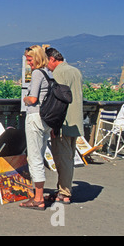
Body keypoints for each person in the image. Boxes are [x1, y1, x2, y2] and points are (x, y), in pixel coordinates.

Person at [44, 47, 84, 204]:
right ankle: (63, 188)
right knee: (69, 157)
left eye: (47, 62)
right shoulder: (75, 71)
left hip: (64, 122)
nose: (47, 66)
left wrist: (54, 125)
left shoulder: (59, 73)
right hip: (75, 122)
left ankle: (64, 193)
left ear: (52, 59)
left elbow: (58, 101)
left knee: (62, 158)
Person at [19, 45, 52, 210]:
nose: (28, 62)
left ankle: (38, 198)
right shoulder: (48, 73)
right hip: (46, 119)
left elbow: (32, 99)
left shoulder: (37, 73)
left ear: (37, 58)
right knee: (39, 155)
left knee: (34, 158)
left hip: (35, 117)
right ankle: (38, 195)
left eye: (30, 59)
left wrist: (25, 99)